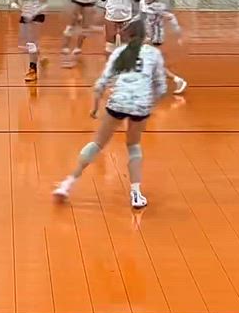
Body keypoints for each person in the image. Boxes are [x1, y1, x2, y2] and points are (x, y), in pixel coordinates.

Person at [52, 20, 166, 208]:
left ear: (127, 35)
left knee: (97, 143)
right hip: (141, 105)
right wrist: (150, 104)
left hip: (118, 102)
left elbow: (101, 84)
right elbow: (161, 87)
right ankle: (136, 194)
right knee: (133, 146)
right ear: (146, 36)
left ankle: (67, 184)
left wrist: (95, 108)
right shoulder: (154, 54)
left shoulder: (119, 53)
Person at [140, 0, 187, 94]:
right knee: (149, 62)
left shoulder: (159, 6)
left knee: (145, 60)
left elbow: (171, 17)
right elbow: (141, 16)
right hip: (144, 34)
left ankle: (177, 80)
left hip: (154, 38)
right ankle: (176, 80)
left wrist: (178, 34)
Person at [12, 0, 48, 82]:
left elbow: (45, 3)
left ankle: (33, 70)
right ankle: (41, 57)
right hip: (25, 15)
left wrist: (33, 14)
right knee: (28, 41)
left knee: (31, 42)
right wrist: (19, 9)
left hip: (37, 15)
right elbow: (13, 2)